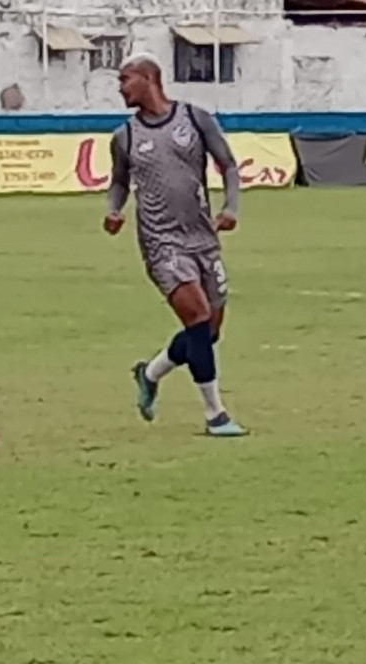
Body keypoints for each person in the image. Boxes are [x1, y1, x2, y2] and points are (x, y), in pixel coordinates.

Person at [105, 53, 247, 437]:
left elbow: (228, 165)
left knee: (209, 332)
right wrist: (114, 210)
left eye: (126, 79)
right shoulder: (125, 137)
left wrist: (231, 208)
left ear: (151, 79)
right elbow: (118, 182)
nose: (120, 88)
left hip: (203, 238)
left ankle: (150, 373)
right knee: (198, 318)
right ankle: (216, 415)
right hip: (161, 242)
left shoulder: (195, 118)